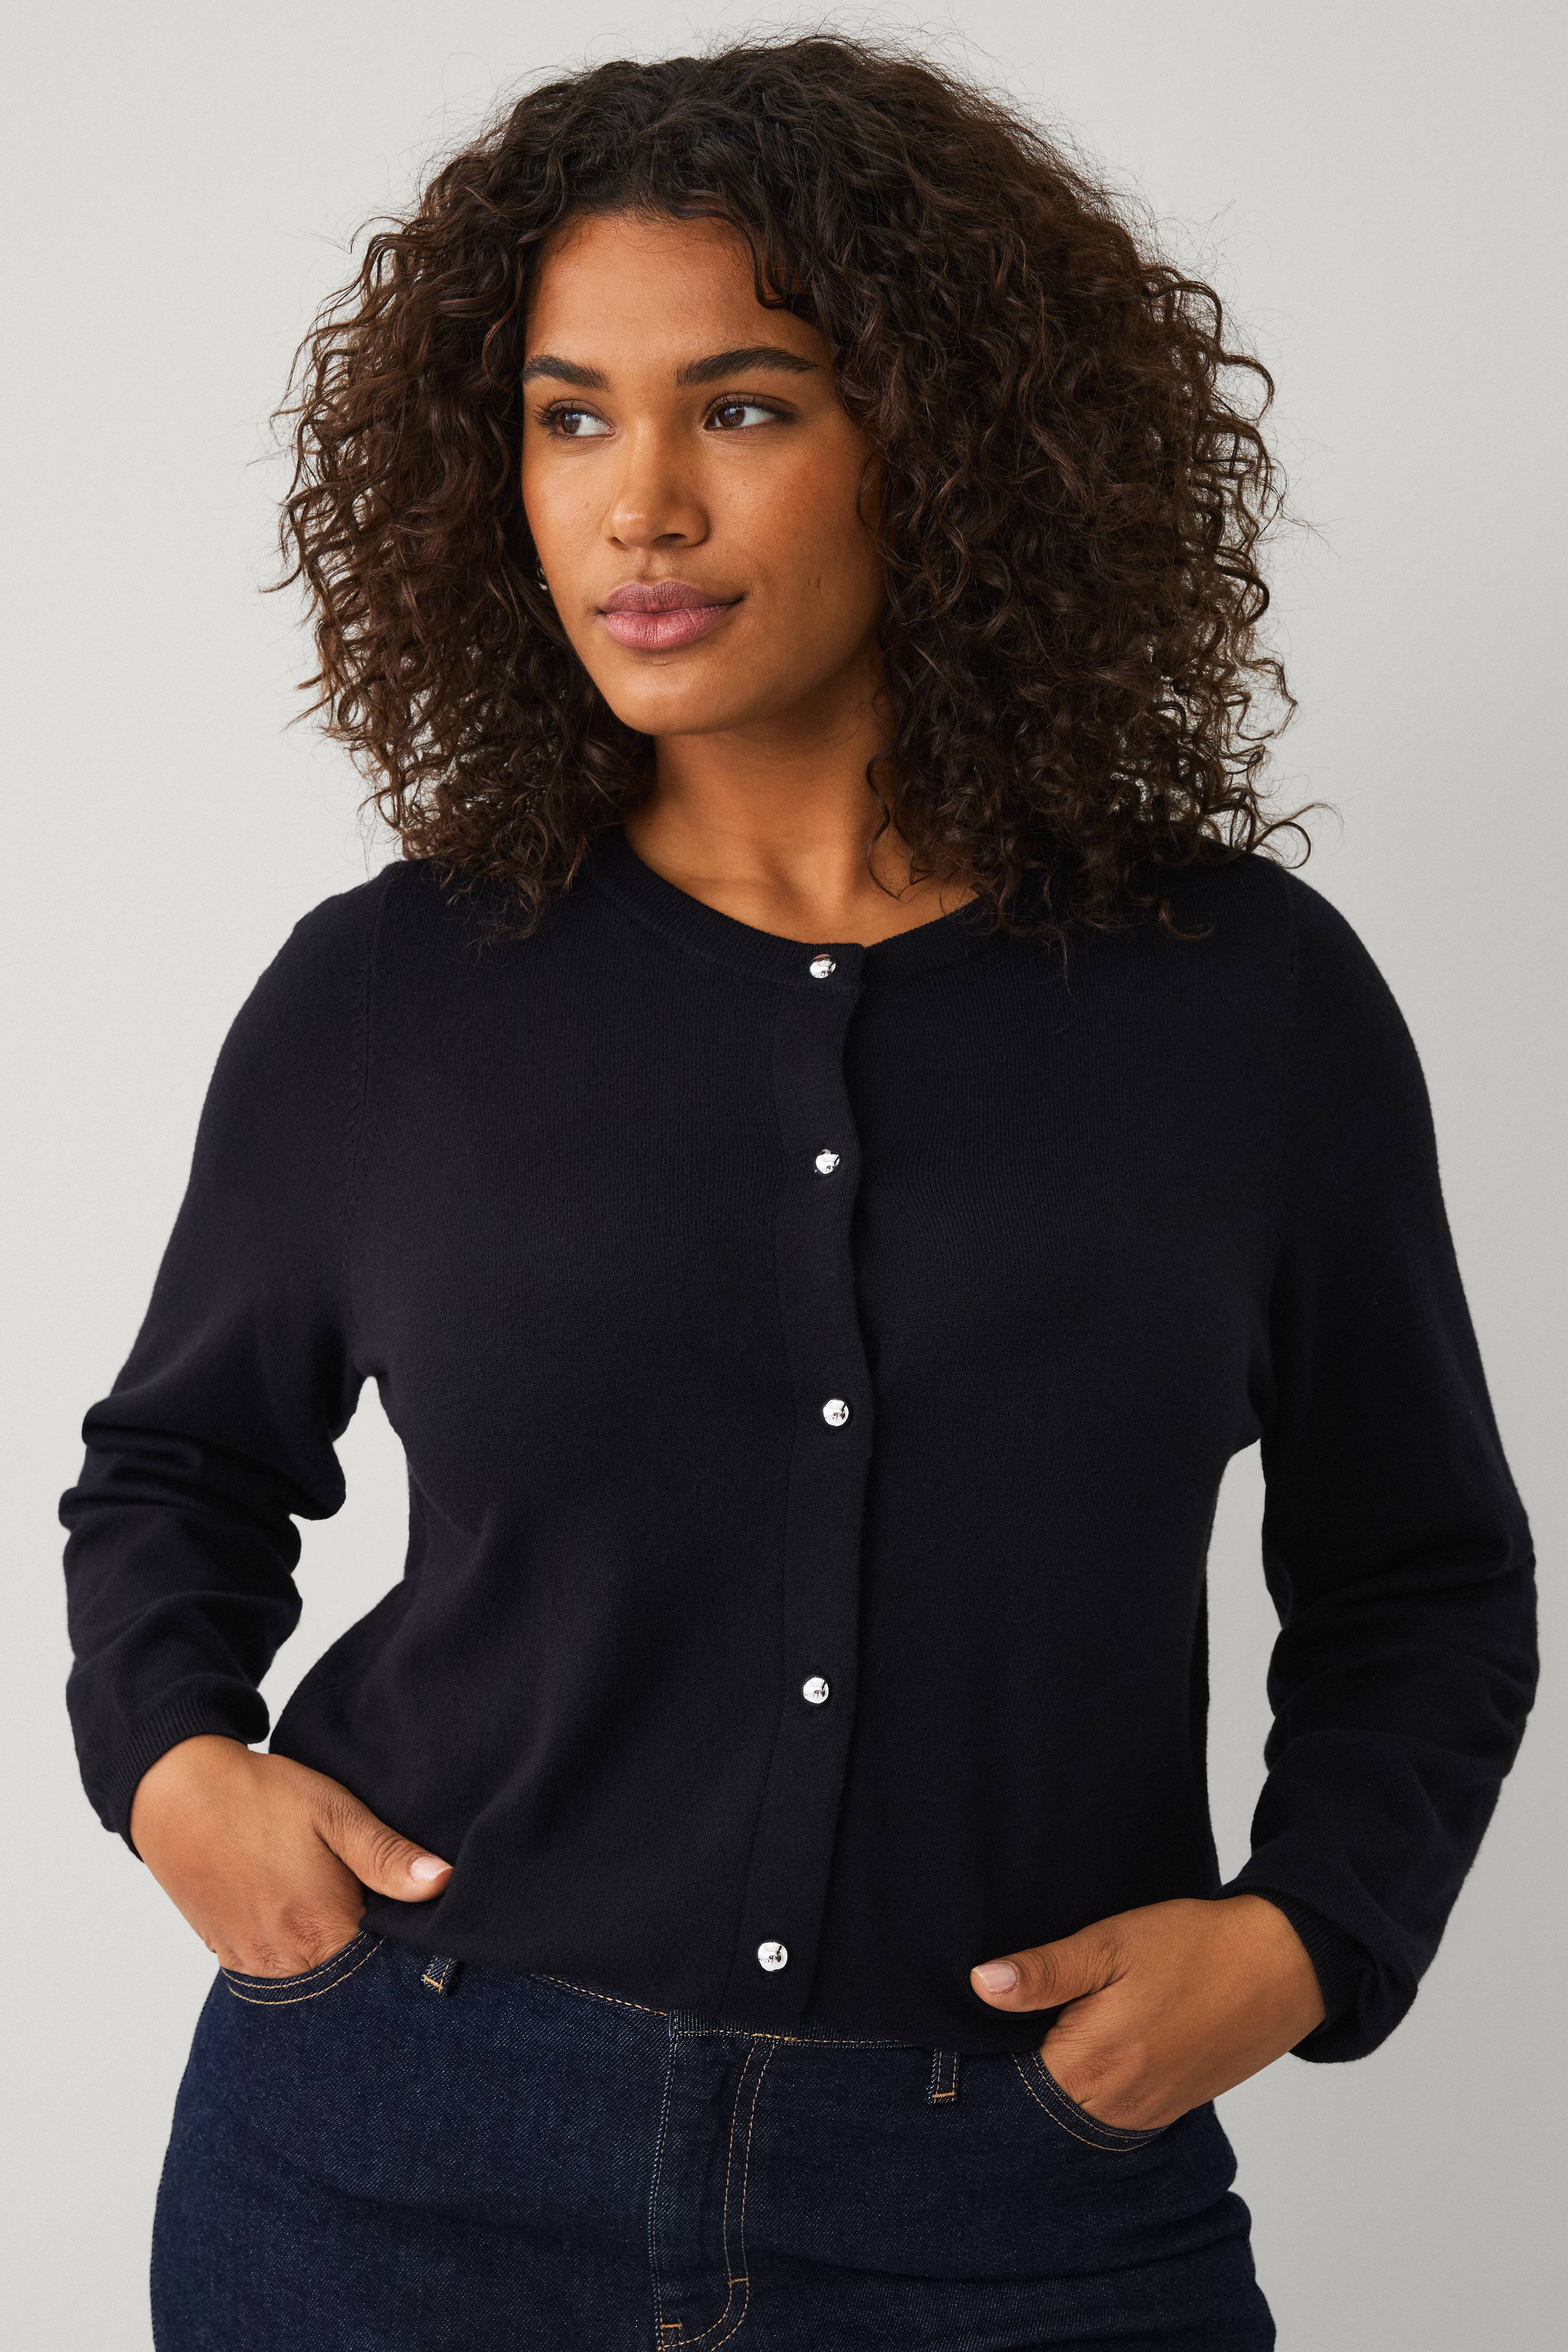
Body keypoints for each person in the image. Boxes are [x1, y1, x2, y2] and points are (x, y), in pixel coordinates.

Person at [59, 34, 1536, 2352]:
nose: (638, 504)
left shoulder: (1245, 1001)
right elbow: (176, 1469)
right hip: (394, 2159)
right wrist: (173, 1770)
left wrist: (1305, 1936)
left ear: (940, 447)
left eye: (740, 407)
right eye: (569, 417)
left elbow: (1422, 1571)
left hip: (1020, 2203)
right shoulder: (392, 990)